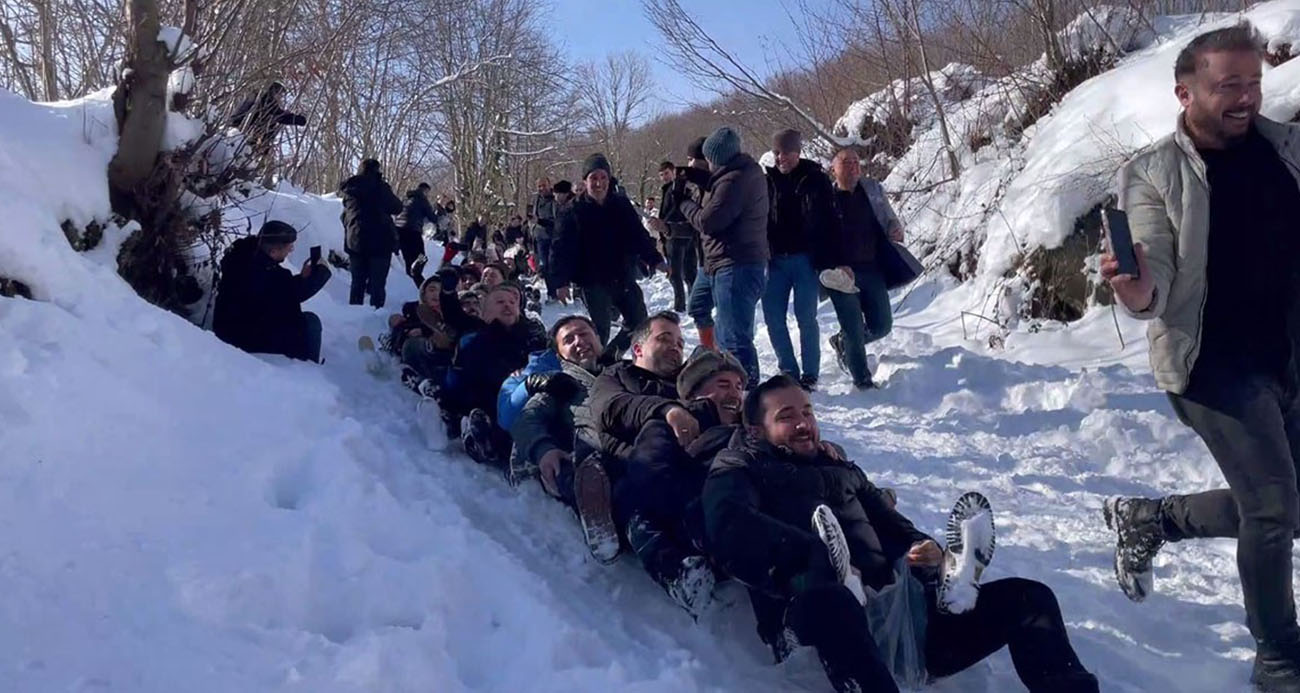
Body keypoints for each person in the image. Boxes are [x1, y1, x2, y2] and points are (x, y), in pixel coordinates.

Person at [1101, 24, 1300, 692]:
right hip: (1212, 363)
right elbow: (1152, 256)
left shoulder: (1285, 148)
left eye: (1253, 82)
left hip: (1288, 351)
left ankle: (1154, 519)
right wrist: (1139, 287)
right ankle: (1278, 657)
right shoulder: (1154, 172)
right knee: (1272, 509)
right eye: (1228, 86)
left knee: (1287, 504)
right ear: (1185, 91)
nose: (1246, 98)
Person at [705, 375, 1099, 692]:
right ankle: (844, 581)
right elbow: (729, 528)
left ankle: (948, 583)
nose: (804, 423)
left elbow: (892, 524)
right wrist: (814, 557)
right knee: (835, 600)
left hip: (902, 620)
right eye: (787, 415)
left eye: (807, 411)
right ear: (757, 430)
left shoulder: (843, 468)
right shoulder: (739, 467)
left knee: (1031, 599)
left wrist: (924, 552)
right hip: (809, 616)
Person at [619, 346, 746, 617]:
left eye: (738, 386)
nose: (734, 393)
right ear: (695, 392)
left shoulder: (751, 429)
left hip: (748, 512)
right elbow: (649, 475)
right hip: (699, 520)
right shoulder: (665, 427)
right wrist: (697, 508)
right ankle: (676, 572)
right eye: (722, 384)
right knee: (629, 500)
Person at [507, 316, 621, 557]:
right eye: (568, 340)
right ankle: (587, 499)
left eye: (584, 334)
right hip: (592, 448)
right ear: (559, 353)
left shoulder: (626, 370)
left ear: (599, 339)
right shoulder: (561, 383)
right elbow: (528, 418)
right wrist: (543, 449)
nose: (579, 342)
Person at [676, 126, 769, 386]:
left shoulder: (736, 179)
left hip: (736, 263)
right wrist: (695, 177)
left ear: (716, 159)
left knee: (735, 338)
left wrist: (682, 202)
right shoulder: (736, 172)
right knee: (698, 306)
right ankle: (712, 358)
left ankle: (746, 392)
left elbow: (709, 221)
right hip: (719, 261)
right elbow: (717, 188)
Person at [552, 153, 665, 361]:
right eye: (593, 178)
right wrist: (560, 281)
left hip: (622, 274)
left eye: (603, 177)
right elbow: (561, 248)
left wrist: (655, 259)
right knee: (600, 330)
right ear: (585, 181)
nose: (599, 183)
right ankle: (593, 370)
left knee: (640, 324)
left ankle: (606, 360)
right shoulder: (572, 211)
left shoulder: (621, 205)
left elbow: (638, 235)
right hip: (592, 279)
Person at [433, 270, 547, 463]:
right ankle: (463, 428)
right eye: (500, 302)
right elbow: (455, 316)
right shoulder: (478, 338)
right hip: (489, 399)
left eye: (512, 302)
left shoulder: (530, 337)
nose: (508, 305)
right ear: (485, 314)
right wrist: (448, 292)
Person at [763, 129, 842, 391]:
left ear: (797, 152)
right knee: (773, 315)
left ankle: (810, 373)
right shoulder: (768, 181)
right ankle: (788, 369)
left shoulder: (815, 179)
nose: (780, 157)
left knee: (806, 317)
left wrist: (831, 258)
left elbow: (831, 221)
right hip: (775, 260)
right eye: (776, 152)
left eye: (785, 152)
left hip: (805, 259)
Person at [826, 146, 905, 389]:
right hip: (840, 274)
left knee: (882, 325)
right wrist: (834, 263)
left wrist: (895, 228)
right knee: (852, 326)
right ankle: (862, 381)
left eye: (856, 161)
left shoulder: (872, 190)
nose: (853, 166)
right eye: (846, 162)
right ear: (834, 169)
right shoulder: (825, 199)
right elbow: (818, 236)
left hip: (872, 267)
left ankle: (844, 344)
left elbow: (890, 217)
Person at [213, 220, 331, 362]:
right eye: (288, 247)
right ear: (273, 251)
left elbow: (279, 290)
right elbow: (289, 297)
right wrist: (319, 275)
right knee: (310, 322)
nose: (290, 250)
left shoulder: (242, 257)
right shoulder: (269, 273)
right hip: (247, 337)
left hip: (227, 329)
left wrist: (301, 278)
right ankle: (309, 367)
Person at [340, 158, 402, 308]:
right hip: (380, 241)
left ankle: (354, 316)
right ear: (377, 170)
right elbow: (397, 207)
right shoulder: (380, 187)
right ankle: (376, 314)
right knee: (377, 284)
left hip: (355, 241)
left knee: (357, 283)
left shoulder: (350, 188)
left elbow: (345, 215)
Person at [647, 161, 700, 313]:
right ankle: (692, 302)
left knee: (676, 272)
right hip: (684, 232)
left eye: (666, 173)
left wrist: (664, 224)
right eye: (661, 175)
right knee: (688, 272)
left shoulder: (677, 188)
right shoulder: (677, 188)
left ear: (673, 172)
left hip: (675, 233)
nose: (664, 177)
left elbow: (676, 208)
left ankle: (681, 305)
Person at [393, 277, 459, 393]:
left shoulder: (454, 314)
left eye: (440, 291)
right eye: (432, 290)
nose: (436, 294)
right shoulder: (415, 311)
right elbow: (405, 327)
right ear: (424, 294)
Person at [228, 81, 306, 173]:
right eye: (280, 94)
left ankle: (260, 151)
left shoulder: (255, 96)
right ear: (274, 92)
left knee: (269, 124)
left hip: (236, 126)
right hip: (242, 130)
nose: (280, 98)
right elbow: (280, 116)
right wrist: (298, 119)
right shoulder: (266, 100)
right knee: (270, 125)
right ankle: (260, 153)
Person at [395, 182, 438, 287]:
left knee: (408, 257)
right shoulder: (422, 200)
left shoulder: (406, 199)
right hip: (412, 230)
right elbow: (432, 217)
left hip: (399, 229)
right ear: (424, 191)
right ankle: (417, 279)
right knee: (422, 257)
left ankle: (410, 281)